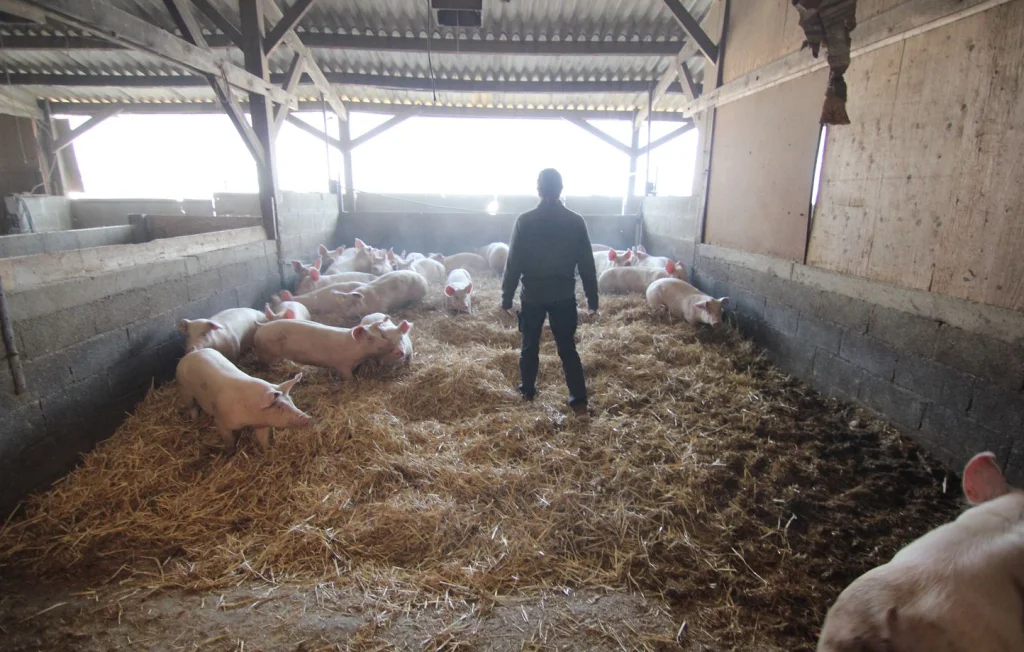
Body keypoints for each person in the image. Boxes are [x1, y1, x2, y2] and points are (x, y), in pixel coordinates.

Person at [501, 168, 599, 418]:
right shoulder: (575, 221)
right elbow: (587, 263)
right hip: (564, 295)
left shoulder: (525, 221)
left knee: (529, 346)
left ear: (538, 190)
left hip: (533, 295)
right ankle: (579, 403)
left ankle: (527, 393)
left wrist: (506, 297)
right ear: (561, 189)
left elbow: (514, 262)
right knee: (567, 348)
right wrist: (592, 299)